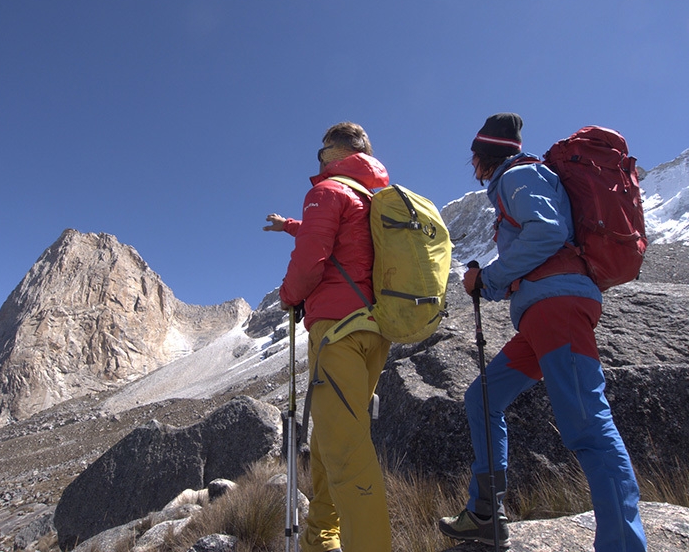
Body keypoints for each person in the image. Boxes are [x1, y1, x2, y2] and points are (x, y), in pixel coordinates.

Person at [438, 113, 647, 551]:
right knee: (483, 397)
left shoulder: (519, 176)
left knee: (588, 426)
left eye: (473, 159)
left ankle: (623, 545)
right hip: (542, 314)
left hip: (557, 310)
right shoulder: (518, 181)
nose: (473, 169)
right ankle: (484, 514)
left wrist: (489, 279)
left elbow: (547, 232)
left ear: (484, 157)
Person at [263, 121, 392, 552]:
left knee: (347, 452)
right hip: (374, 331)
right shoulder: (371, 197)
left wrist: (289, 295)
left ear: (335, 154)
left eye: (321, 154)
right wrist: (290, 225)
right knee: (329, 439)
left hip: (336, 331)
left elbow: (311, 259)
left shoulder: (328, 191)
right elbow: (337, 237)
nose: (317, 163)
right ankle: (321, 538)